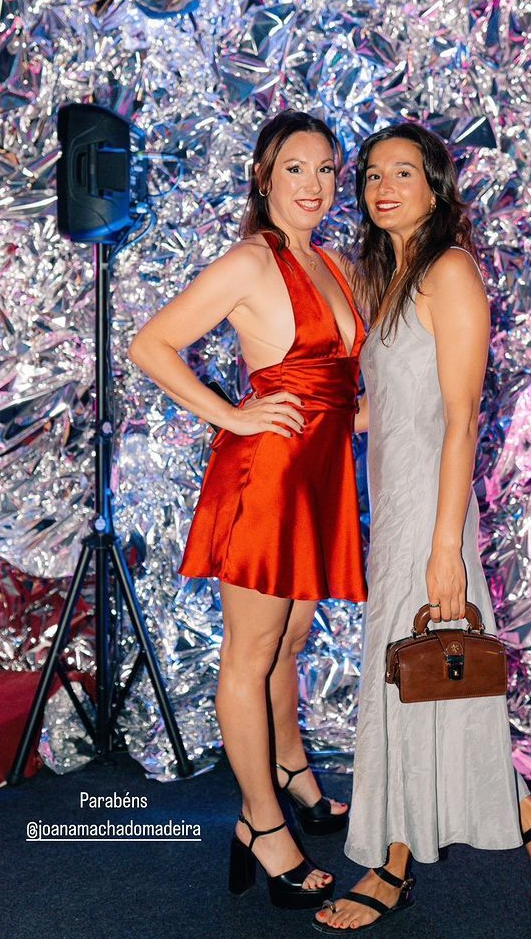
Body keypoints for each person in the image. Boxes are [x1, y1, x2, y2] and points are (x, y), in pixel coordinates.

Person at [313, 122, 531, 933]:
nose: (383, 187)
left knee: (409, 680)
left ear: (435, 187)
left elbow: (461, 417)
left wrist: (445, 552)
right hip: (399, 505)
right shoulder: (393, 276)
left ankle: (390, 870)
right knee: (427, 684)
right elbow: (392, 406)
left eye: (404, 172)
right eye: (372, 174)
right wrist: (304, 425)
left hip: (432, 515)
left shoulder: (450, 270)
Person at [128, 110, 367, 910]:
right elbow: (150, 344)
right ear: (264, 177)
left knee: (289, 639)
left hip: (320, 475)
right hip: (266, 477)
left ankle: (292, 770)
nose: (314, 184)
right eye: (296, 167)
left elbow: (336, 389)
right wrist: (230, 416)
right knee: (251, 653)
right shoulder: (250, 260)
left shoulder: (331, 261)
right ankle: (261, 826)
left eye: (327, 169)